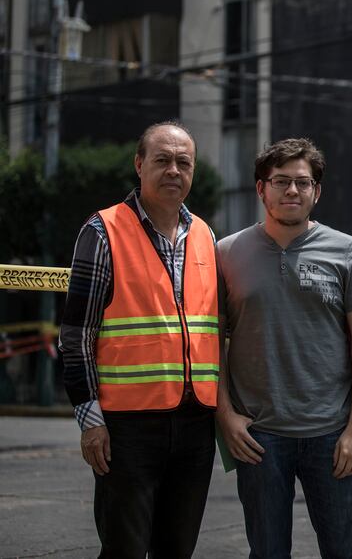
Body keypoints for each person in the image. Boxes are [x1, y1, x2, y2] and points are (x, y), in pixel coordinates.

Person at [59, 121, 219, 558]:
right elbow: (77, 335)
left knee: (177, 549)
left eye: (183, 162)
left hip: (194, 423)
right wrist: (90, 421)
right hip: (126, 427)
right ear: (139, 164)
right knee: (125, 549)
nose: (173, 170)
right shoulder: (102, 231)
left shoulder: (205, 235)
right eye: (162, 160)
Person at [215, 138, 352, 558]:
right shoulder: (226, 254)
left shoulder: (347, 251)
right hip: (259, 435)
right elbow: (209, 341)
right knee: (268, 552)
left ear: (316, 191)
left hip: (333, 433)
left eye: (302, 183)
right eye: (281, 181)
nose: (292, 191)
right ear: (260, 188)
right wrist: (226, 417)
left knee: (345, 552)